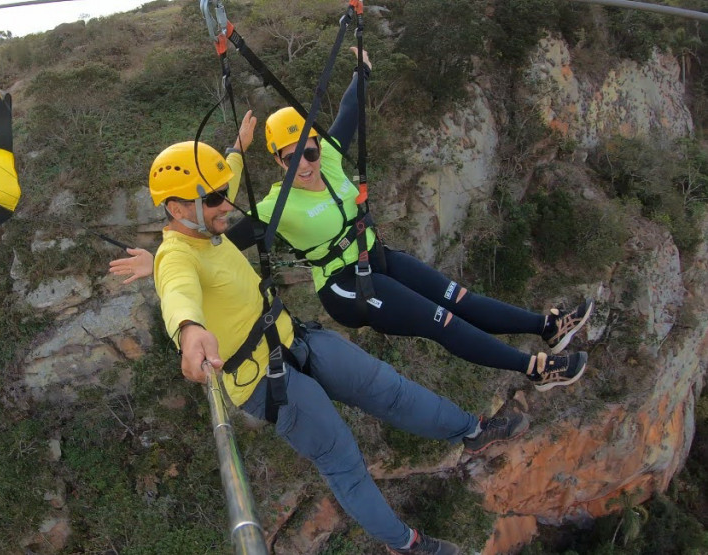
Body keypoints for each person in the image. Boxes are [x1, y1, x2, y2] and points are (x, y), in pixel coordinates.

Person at [110, 47, 594, 393]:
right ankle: (534, 368)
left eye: (308, 151)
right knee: (442, 321)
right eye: (290, 158)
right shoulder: (275, 206)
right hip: (345, 286)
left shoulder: (331, 157)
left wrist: (361, 68)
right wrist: (159, 260)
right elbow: (214, 240)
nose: (304, 164)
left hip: (376, 256)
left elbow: (348, 109)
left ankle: (546, 326)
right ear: (277, 161)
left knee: (457, 297)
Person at [144, 133, 528, 555]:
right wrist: (189, 329)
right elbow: (177, 290)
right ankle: (406, 545)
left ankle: (472, 430)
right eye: (215, 198)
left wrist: (236, 149)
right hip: (263, 381)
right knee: (343, 460)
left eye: (224, 193)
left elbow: (227, 178)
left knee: (388, 387)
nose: (227, 206)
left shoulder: (205, 224)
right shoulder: (175, 257)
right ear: (177, 208)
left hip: (295, 339)